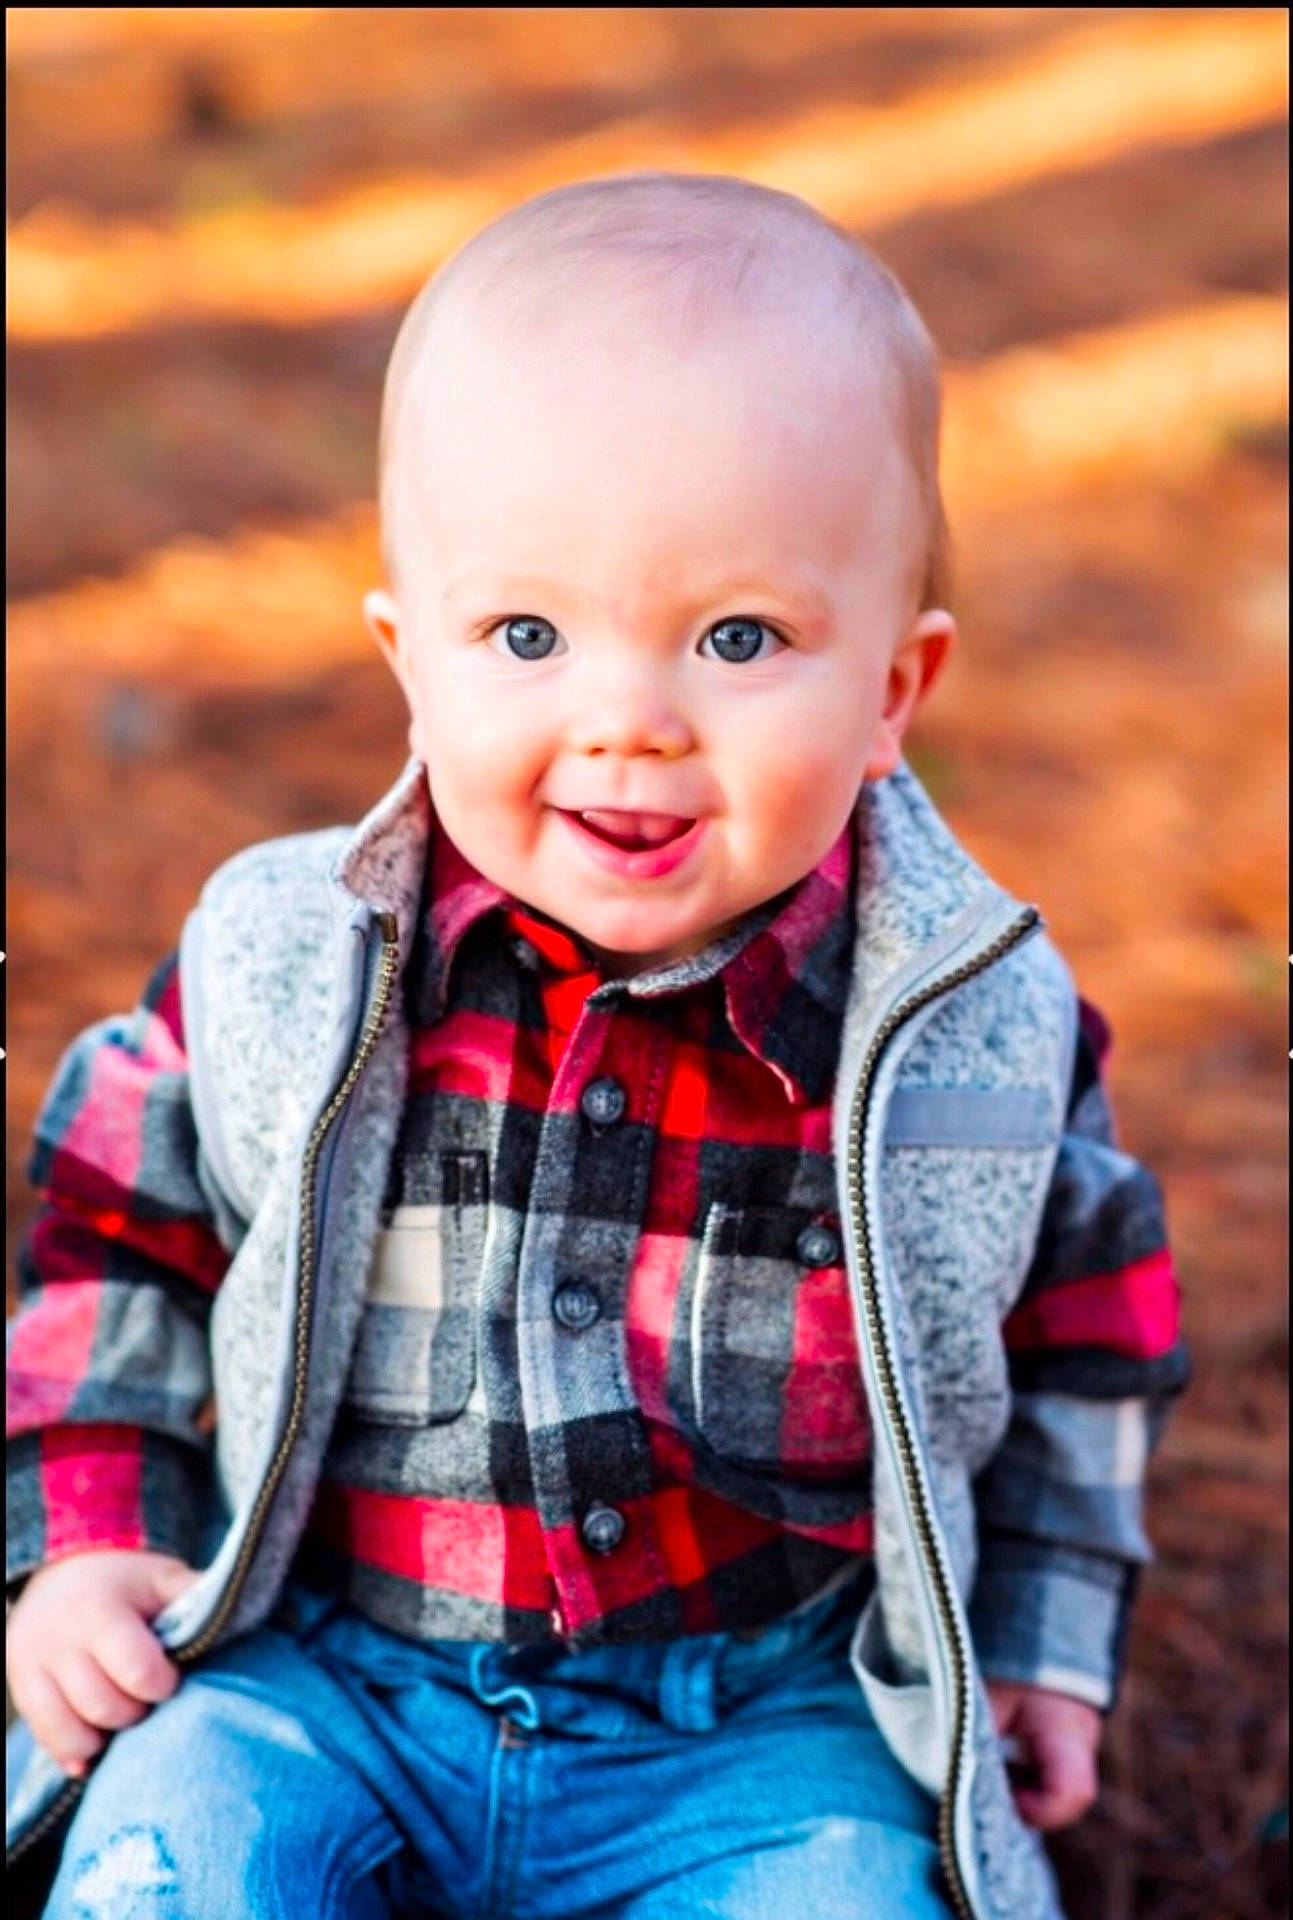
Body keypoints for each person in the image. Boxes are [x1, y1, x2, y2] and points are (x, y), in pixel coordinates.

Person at [6, 173, 1185, 1920]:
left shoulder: (972, 1031)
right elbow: (117, 1245)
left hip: (762, 1722)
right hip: (323, 1671)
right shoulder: (288, 961)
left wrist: (1033, 1640)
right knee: (178, 1860)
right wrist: (95, 1543)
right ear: (413, 666)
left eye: (737, 637)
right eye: (527, 635)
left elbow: (1081, 1341)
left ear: (891, 691)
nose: (626, 717)